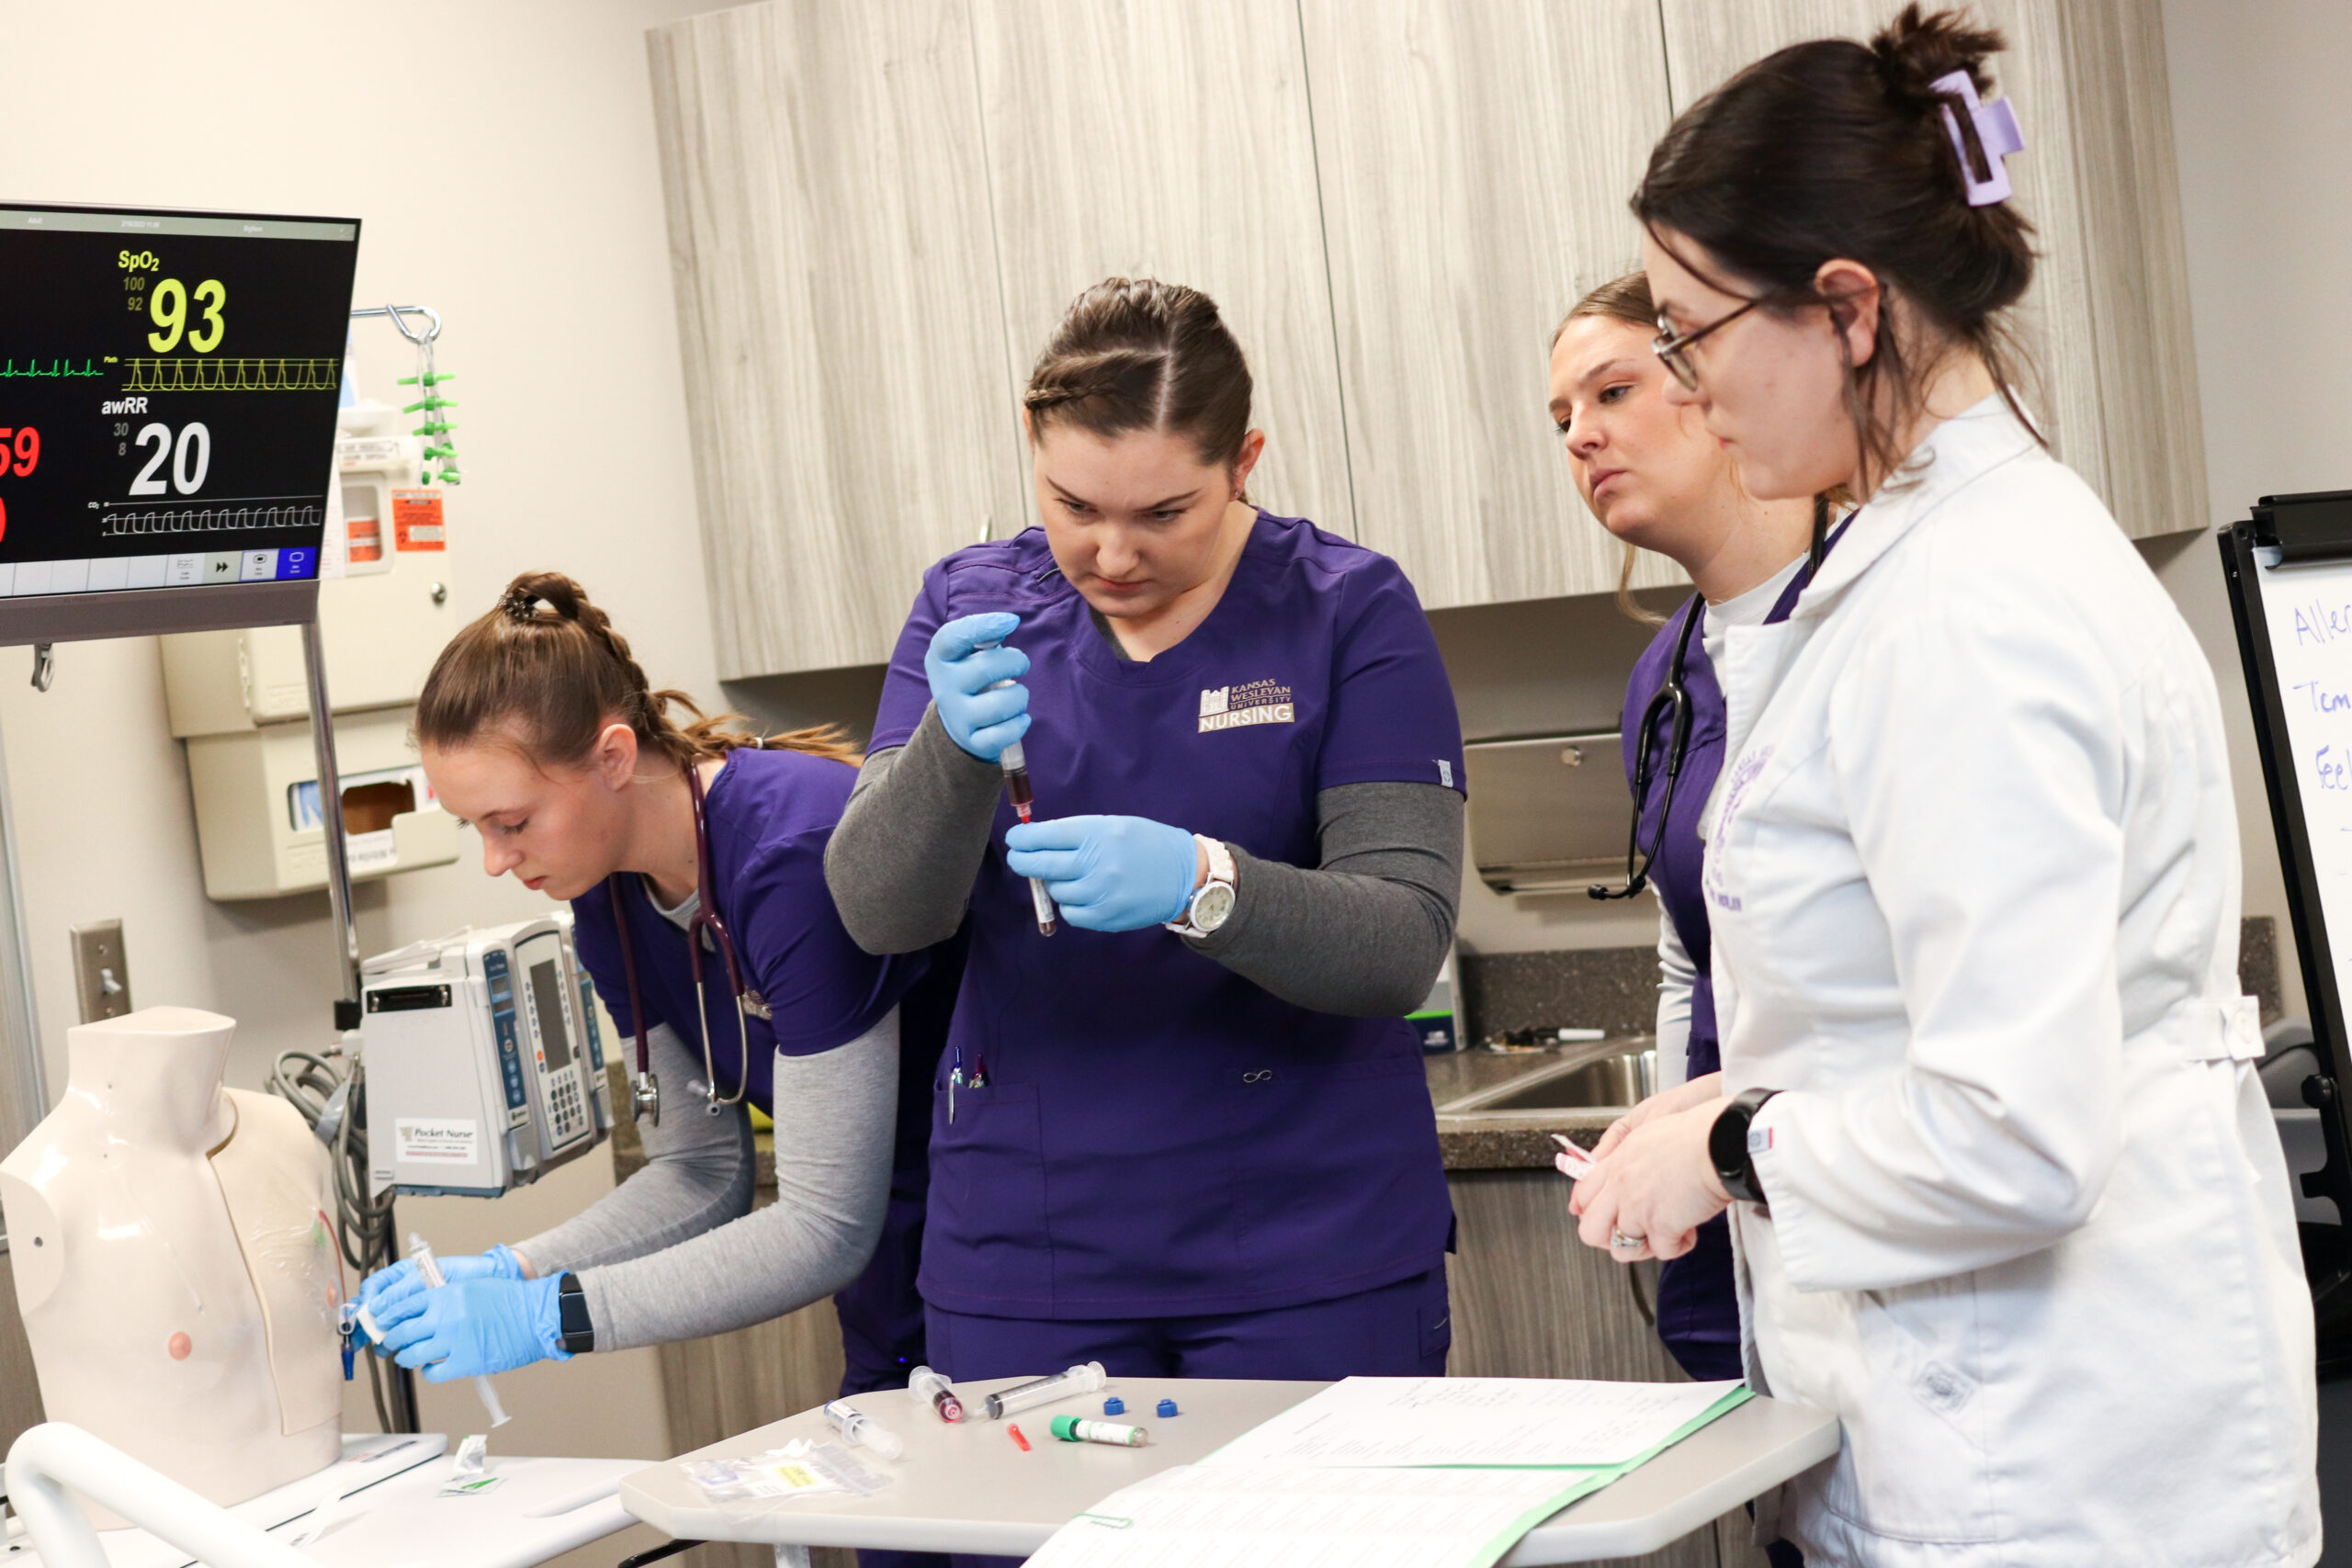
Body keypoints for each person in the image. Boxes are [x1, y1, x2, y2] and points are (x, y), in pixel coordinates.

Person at [1566, 9, 2318, 1565]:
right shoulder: (1927, 565)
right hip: (2007, 1421)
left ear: (1846, 308)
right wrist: (1733, 1102)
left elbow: (2011, 1132)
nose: (1690, 393)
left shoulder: (1965, 609)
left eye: (1696, 337)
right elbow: (1914, 1024)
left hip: (2045, 1461)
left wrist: (1730, 1146)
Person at [824, 278, 1465, 1430]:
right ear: (1031, 444)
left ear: (1243, 461)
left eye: (1163, 514)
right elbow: (880, 913)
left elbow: (1398, 945)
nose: (1111, 553)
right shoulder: (971, 608)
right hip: (1030, 1254)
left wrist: (1203, 885)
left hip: (1308, 1248)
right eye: (1075, 504)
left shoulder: (1345, 612)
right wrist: (947, 753)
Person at [360, 574, 956, 1568]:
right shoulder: (611, 901)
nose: (494, 862)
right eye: (474, 828)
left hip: (1012, 1253)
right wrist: (513, 1267)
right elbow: (701, 1171)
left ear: (612, 757)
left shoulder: (793, 851)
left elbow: (824, 1226)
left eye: (510, 821)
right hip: (896, 1298)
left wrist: (545, 1317)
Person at [1547, 269, 1815, 1384]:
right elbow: (1686, 947)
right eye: (1561, 417)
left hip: (1854, 1169)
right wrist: (1671, 1130)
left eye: (1610, 392)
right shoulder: (1662, 681)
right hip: (1728, 1175)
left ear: (1713, 383)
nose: (1580, 437)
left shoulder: (1872, 629)